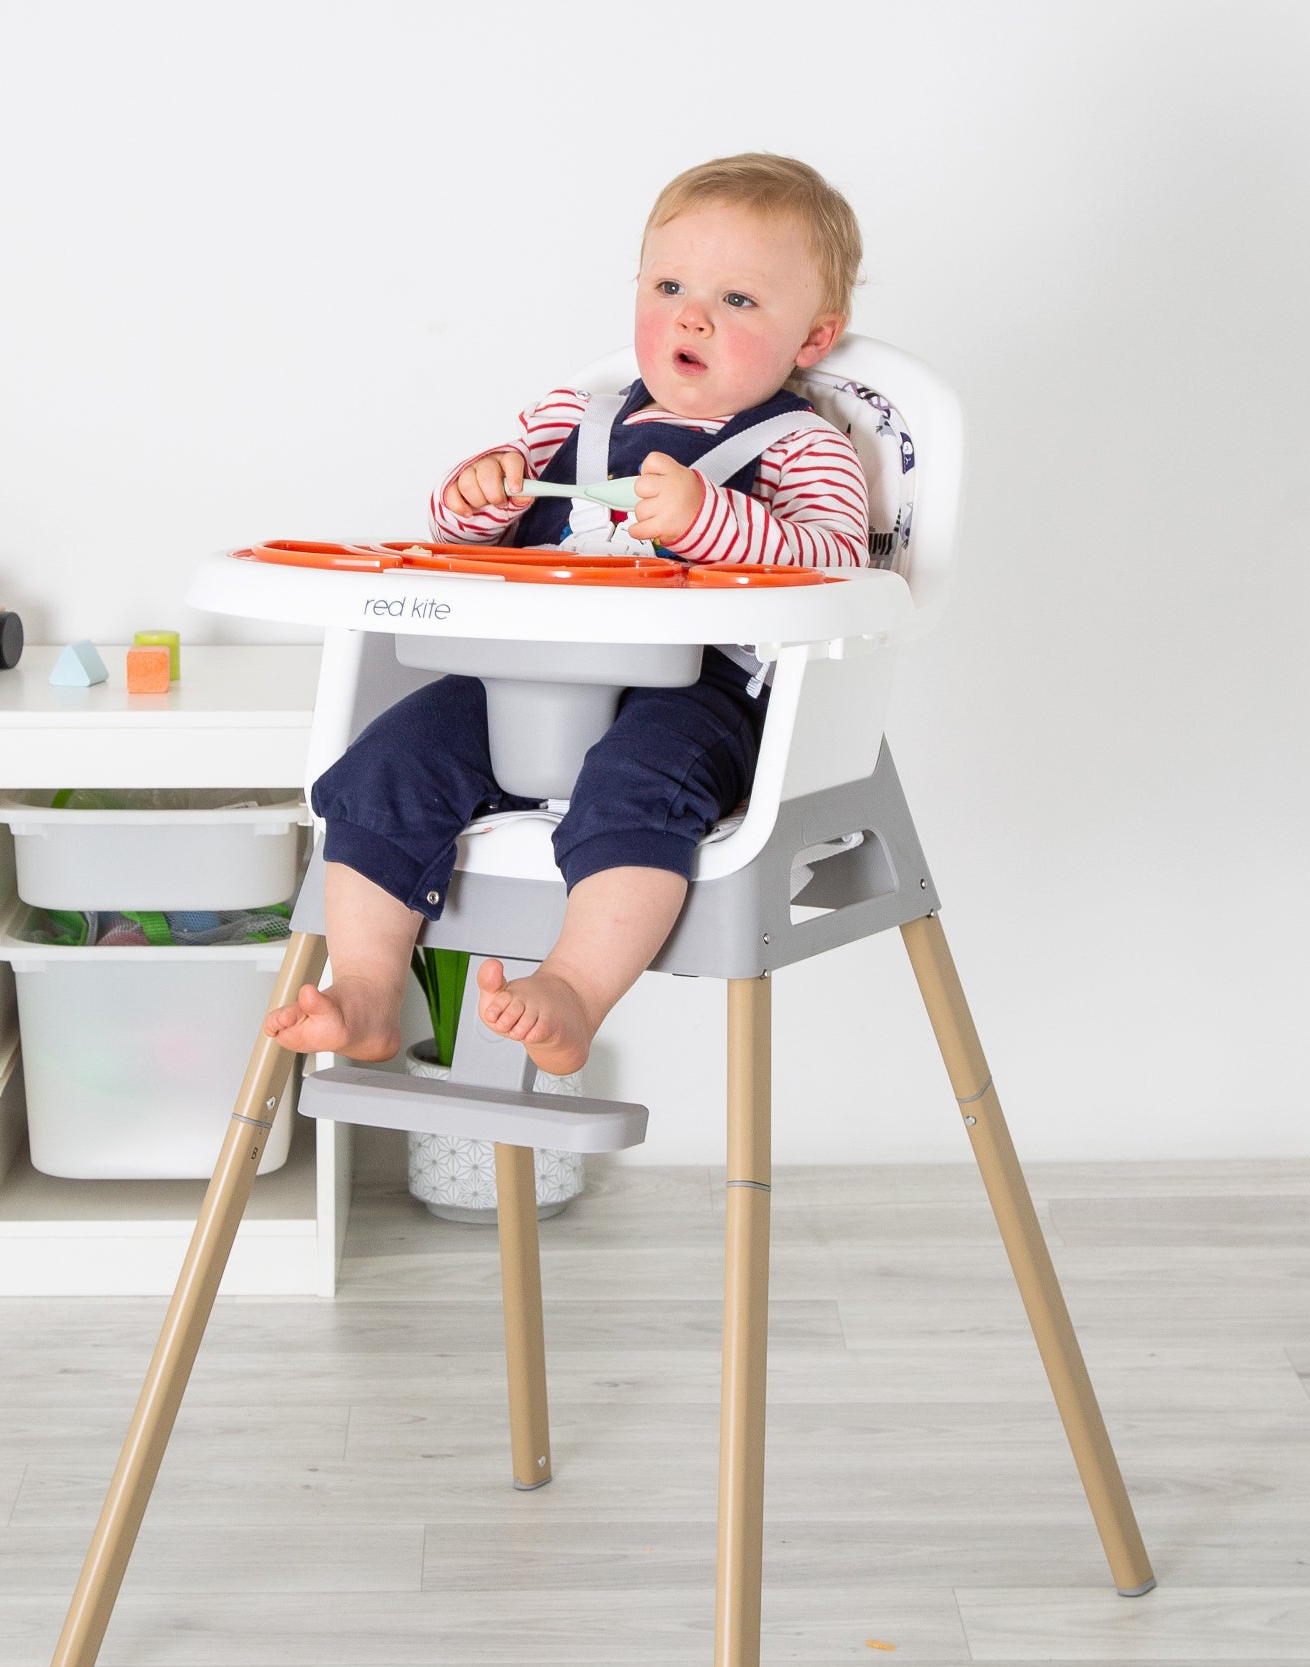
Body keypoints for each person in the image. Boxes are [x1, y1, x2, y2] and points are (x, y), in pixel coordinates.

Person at [265, 153, 872, 1075]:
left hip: (694, 694)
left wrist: (713, 521)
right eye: (669, 285)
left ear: (812, 339)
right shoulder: (571, 415)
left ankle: (575, 990)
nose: (692, 314)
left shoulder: (806, 446)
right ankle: (368, 990)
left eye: (739, 300)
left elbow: (838, 564)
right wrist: (482, 494)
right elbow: (460, 533)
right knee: (383, 769)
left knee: (638, 791)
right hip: (526, 675)